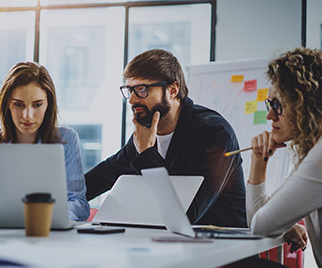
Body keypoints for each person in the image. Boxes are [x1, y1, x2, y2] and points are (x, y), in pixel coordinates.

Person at [86, 49, 247, 227]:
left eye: (141, 90)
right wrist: (58, 197)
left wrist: (146, 153)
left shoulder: (213, 133)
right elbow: (100, 178)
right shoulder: (145, 134)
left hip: (224, 244)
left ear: (172, 90)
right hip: (171, 243)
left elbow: (184, 215)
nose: (132, 100)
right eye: (129, 90)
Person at [247, 48, 322, 267]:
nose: (269, 116)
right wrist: (259, 161)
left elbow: (261, 226)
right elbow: (259, 221)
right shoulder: (319, 150)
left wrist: (282, 223)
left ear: (304, 104)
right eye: (269, 105)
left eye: (276, 105)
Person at [0, 62, 90, 221]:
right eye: (19, 104)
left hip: (47, 232)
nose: (27, 115)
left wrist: (47, 220)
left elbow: (79, 203)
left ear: (49, 104)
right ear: (7, 103)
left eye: (37, 105)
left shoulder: (66, 140)